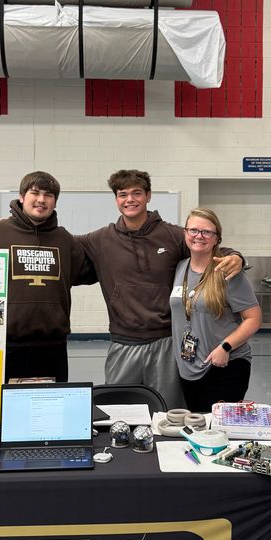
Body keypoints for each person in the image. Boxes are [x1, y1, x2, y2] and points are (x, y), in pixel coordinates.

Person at [78, 170, 243, 408]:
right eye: (122, 194)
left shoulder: (173, 235)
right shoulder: (100, 239)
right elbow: (63, 245)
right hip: (123, 343)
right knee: (119, 412)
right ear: (116, 199)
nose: (130, 199)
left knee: (168, 412)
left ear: (148, 196)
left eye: (137, 193)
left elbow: (209, 247)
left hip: (166, 343)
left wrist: (236, 256)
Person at [0, 170, 96, 383]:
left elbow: (86, 273)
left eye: (48, 195)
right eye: (35, 193)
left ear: (55, 202)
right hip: (4, 344)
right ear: (22, 197)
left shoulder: (64, 240)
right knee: (3, 411)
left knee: (48, 410)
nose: (41, 200)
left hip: (52, 345)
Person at [170, 208, 261, 412]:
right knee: (199, 426)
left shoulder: (229, 272)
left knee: (219, 431)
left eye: (206, 232)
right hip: (189, 365)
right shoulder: (180, 268)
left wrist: (225, 347)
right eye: (193, 230)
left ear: (217, 238)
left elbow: (253, 318)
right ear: (185, 233)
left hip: (225, 365)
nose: (199, 236)